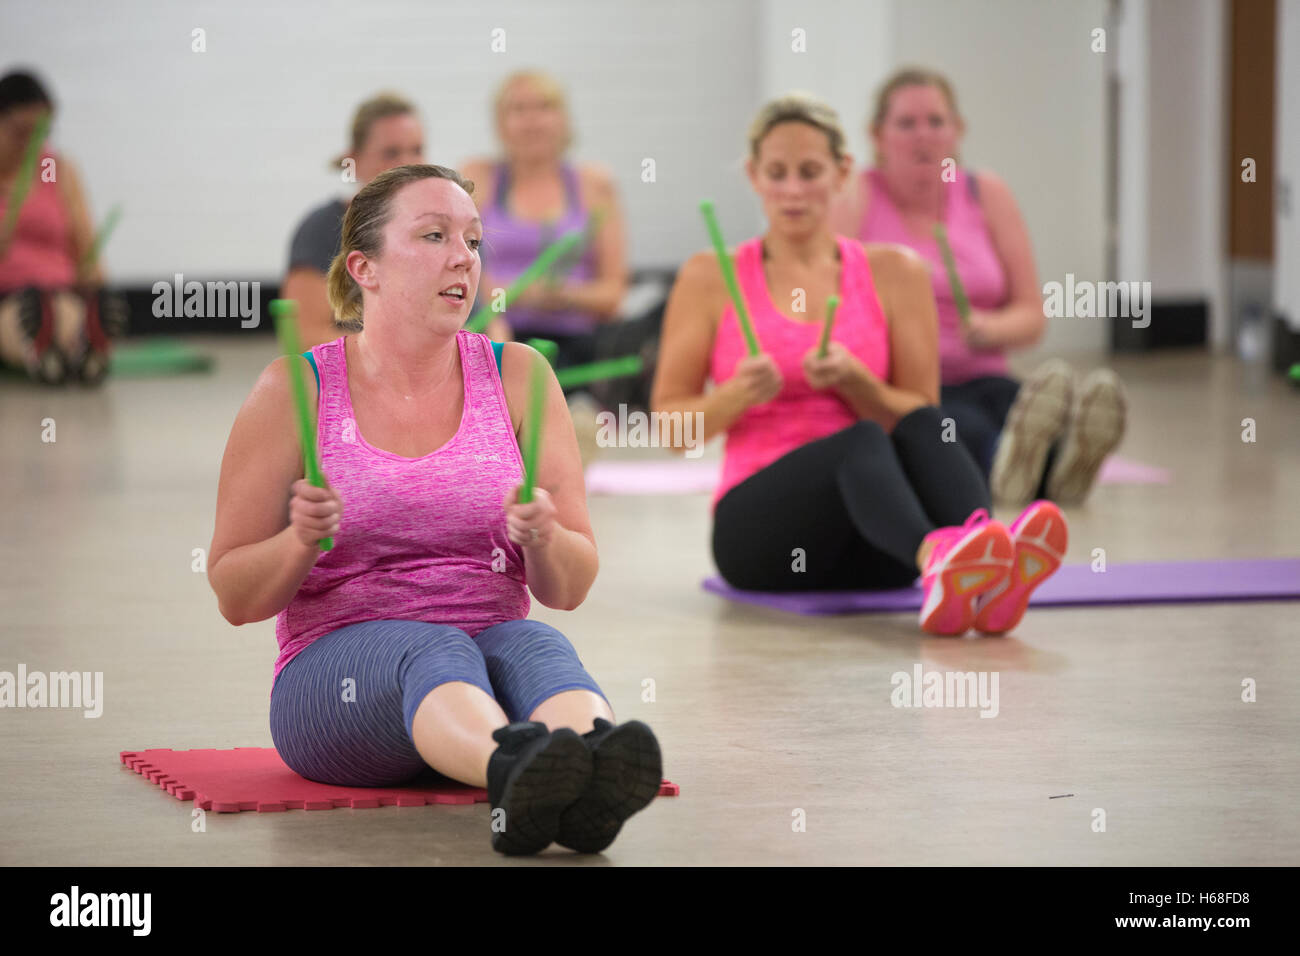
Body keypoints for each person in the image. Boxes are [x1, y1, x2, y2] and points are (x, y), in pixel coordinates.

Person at [209, 164, 661, 856]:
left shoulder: (521, 378)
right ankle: (515, 771)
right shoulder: (292, 390)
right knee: (436, 645)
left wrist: (542, 536)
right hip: (333, 690)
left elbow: (567, 588)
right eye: (433, 235)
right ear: (366, 267)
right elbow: (235, 595)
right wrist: (298, 542)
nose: (464, 257)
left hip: (485, 671)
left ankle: (592, 768)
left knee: (536, 643)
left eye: (473, 241)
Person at [651, 93, 1068, 636]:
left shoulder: (896, 272)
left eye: (809, 172)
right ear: (754, 177)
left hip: (878, 540)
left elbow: (921, 413)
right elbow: (672, 430)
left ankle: (982, 560)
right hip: (763, 539)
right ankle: (946, 559)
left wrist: (859, 383)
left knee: (925, 424)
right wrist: (736, 395)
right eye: (777, 173)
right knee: (862, 442)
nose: (793, 190)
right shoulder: (710, 276)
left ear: (842, 172)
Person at [832, 67, 1126, 505]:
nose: (923, 136)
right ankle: (1034, 468)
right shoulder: (855, 197)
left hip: (984, 374)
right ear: (877, 135)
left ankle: (1048, 461)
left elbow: (1031, 315)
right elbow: (829, 306)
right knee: (957, 427)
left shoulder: (986, 193)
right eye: (906, 124)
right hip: (910, 383)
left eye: (936, 122)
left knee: (1015, 406)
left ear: (958, 131)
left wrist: (990, 328)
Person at [0, 70, 119, 384]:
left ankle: (71, 348)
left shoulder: (55, 170)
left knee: (63, 309)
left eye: (42, 132)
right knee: (17, 316)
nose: (32, 144)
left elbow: (85, 245)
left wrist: (91, 273)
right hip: (8, 293)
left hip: (56, 288)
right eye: (21, 132)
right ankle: (49, 347)